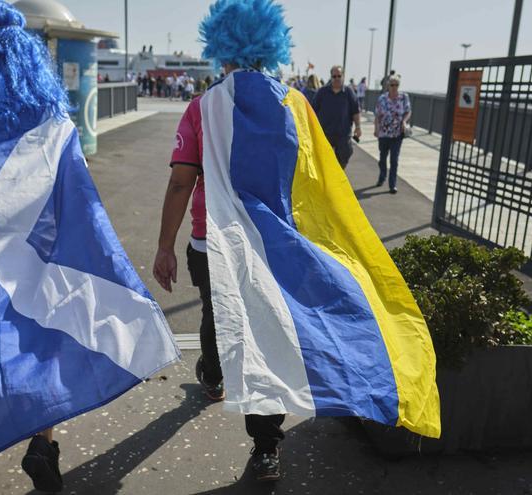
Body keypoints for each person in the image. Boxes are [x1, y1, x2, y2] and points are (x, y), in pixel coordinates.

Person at [154, 0, 440, 485]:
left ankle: (214, 372)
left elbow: (182, 181)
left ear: (219, 45)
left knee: (214, 314)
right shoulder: (295, 104)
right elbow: (318, 183)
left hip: (213, 245)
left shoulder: (203, 107)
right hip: (275, 250)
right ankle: (266, 449)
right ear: (270, 46)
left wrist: (164, 245)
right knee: (268, 338)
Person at [0, 1, 178, 492]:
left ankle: (34, 435)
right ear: (24, 54)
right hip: (42, 248)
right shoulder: (45, 113)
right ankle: (43, 439)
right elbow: (77, 198)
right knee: (50, 332)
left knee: (3, 338)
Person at [312, 65, 361, 168]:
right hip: (325, 134)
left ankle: (338, 179)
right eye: (334, 76)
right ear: (331, 77)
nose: (337, 79)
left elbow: (355, 111)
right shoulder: (322, 92)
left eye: (339, 76)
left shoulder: (349, 92)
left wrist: (358, 127)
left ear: (343, 76)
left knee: (343, 160)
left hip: (343, 135)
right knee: (323, 164)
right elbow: (313, 110)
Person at [373, 72, 411, 194]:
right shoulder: (382, 99)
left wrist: (404, 122)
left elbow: (408, 111)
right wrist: (376, 128)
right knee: (382, 158)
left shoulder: (404, 97)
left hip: (397, 134)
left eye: (396, 85)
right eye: (392, 85)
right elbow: (377, 115)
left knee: (394, 160)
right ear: (388, 86)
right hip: (384, 134)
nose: (394, 87)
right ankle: (382, 175)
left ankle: (392, 184)